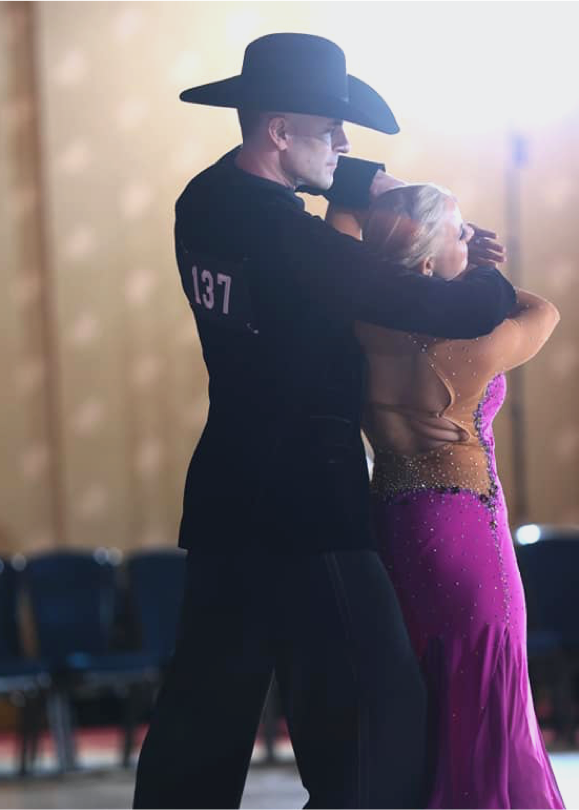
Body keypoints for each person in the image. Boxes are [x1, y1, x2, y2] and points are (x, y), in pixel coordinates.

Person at [133, 34, 517, 810]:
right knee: (382, 719)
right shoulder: (293, 240)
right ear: (279, 131)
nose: (344, 147)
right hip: (308, 505)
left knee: (200, 725)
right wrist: (486, 274)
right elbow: (431, 305)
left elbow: (333, 177)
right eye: (330, 129)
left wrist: (369, 178)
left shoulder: (202, 202)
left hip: (223, 502)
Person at [329, 183, 564, 809]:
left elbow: (345, 218)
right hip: (465, 527)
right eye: (459, 232)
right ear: (429, 263)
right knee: (487, 686)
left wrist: (449, 253)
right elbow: (545, 312)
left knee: (424, 689)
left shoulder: (353, 333)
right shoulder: (471, 347)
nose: (469, 239)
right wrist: (485, 273)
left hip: (395, 530)